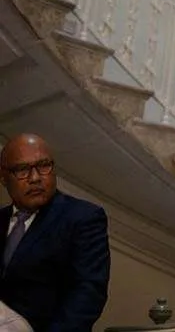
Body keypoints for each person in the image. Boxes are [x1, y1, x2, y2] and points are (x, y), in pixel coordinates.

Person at [0, 133, 111, 331]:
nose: (35, 178)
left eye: (43, 166)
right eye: (22, 170)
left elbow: (88, 293)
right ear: (3, 177)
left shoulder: (82, 218)